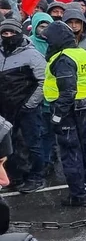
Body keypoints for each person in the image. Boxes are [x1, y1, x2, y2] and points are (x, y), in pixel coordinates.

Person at [43, 21, 86, 206]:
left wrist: (56, 117)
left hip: (68, 111)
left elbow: (67, 92)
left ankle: (78, 196)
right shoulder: (84, 55)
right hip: (85, 108)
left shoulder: (63, 58)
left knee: (71, 154)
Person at [0, 19, 47, 192]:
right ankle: (15, 177)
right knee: (8, 144)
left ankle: (36, 177)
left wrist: (30, 104)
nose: (8, 36)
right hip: (5, 109)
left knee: (32, 143)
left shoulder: (32, 54)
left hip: (27, 108)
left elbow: (44, 81)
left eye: (12, 33)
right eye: (5, 33)